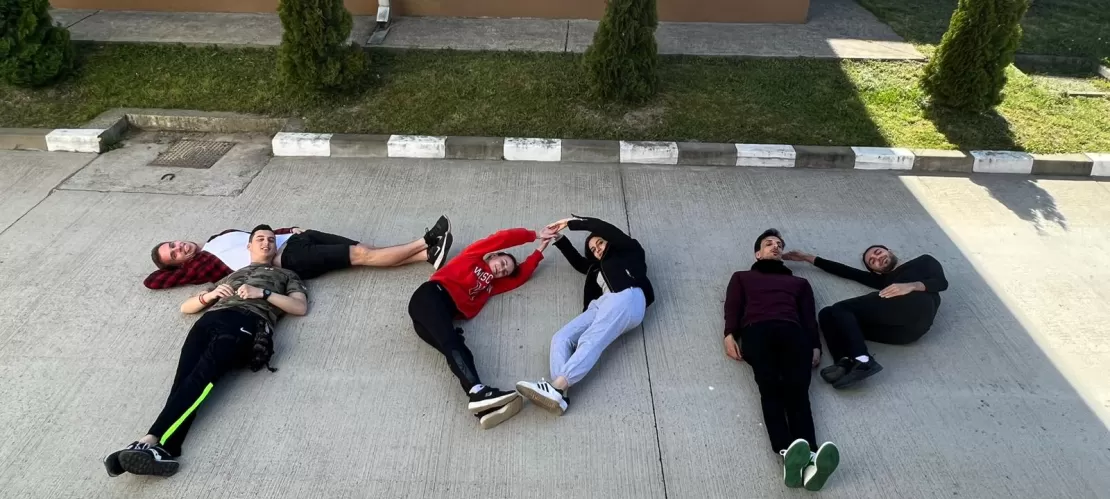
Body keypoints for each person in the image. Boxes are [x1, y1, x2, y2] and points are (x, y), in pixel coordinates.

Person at [104, 225, 308, 478]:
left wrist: (263, 293)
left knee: (202, 379)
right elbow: (185, 308)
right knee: (182, 383)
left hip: (246, 322)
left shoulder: (288, 274)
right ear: (249, 245)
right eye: (259, 239)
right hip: (209, 320)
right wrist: (208, 296)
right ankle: (164, 450)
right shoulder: (233, 273)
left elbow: (299, 307)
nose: (265, 243)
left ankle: (149, 439)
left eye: (270, 240)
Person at [723, 229, 839, 491]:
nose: (775, 247)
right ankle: (787, 453)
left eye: (779, 244)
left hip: (794, 333)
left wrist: (815, 345)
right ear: (758, 252)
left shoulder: (799, 284)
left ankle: (810, 458)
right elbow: (733, 305)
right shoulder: (742, 277)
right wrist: (729, 334)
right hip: (757, 331)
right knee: (770, 388)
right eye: (769, 243)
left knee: (798, 393)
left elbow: (809, 315)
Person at [407, 226, 555, 429]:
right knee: (452, 343)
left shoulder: (490, 286)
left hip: (430, 318)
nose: (502, 269)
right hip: (432, 296)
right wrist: (535, 235)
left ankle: (482, 409)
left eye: (505, 271)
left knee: (458, 348)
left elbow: (519, 278)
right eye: (502, 263)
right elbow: (502, 238)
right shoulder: (473, 256)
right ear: (493, 255)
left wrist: (540, 251)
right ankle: (478, 392)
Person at [515, 216, 655, 416]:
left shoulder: (628, 250)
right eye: (593, 249)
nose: (597, 249)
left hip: (628, 296)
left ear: (609, 240)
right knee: (561, 338)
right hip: (601, 305)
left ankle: (557, 386)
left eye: (600, 242)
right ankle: (559, 394)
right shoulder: (594, 268)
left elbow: (602, 226)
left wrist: (571, 223)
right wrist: (559, 238)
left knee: (590, 340)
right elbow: (577, 261)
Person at [783, 245, 948, 389]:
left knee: (842, 308)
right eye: (872, 261)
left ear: (889, 251)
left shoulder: (923, 261)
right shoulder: (885, 281)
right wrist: (807, 257)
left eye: (878, 252)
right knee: (828, 314)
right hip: (905, 333)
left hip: (921, 305)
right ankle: (844, 362)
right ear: (875, 271)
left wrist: (911, 286)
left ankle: (863, 359)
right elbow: (848, 272)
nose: (878, 258)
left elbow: (941, 282)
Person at [143, 216, 452, 289]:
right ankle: (425, 240)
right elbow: (154, 281)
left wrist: (288, 231)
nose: (179, 248)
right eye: (174, 255)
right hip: (290, 260)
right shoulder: (204, 266)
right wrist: (169, 269)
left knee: (362, 249)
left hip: (295, 240)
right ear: (179, 265)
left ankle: (427, 256)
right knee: (361, 257)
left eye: (173, 244)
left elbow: (256, 236)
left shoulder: (217, 238)